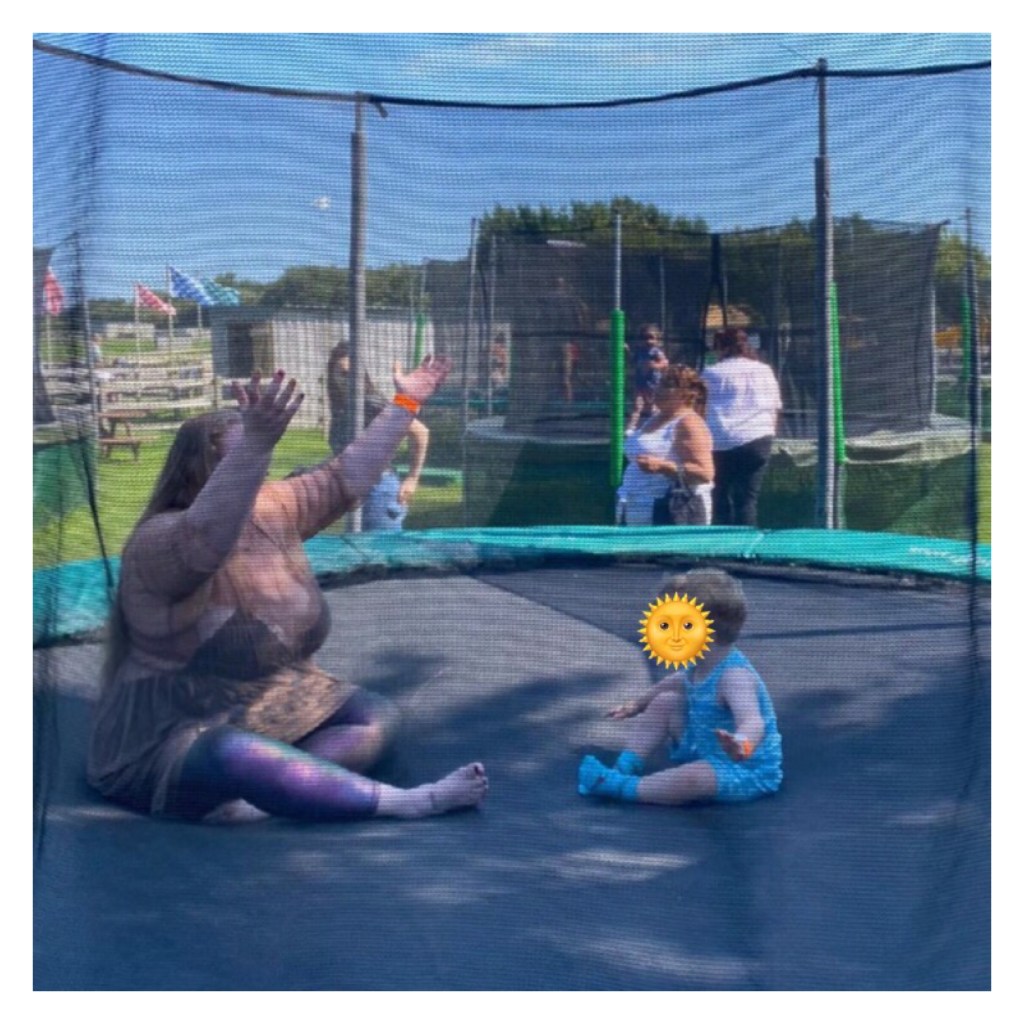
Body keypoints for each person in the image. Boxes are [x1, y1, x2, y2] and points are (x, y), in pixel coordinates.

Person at [87, 358, 488, 823]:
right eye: (246, 456)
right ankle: (406, 802)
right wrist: (253, 444)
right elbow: (205, 539)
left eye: (264, 455)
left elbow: (347, 477)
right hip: (171, 732)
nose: (261, 468)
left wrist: (406, 401)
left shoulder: (271, 505)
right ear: (204, 470)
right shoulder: (158, 541)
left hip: (268, 700)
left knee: (376, 717)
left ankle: (269, 796)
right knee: (229, 753)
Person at [578, 568, 782, 806]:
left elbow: (752, 720)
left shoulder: (734, 677)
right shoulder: (699, 665)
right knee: (665, 701)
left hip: (743, 769)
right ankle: (625, 765)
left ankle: (623, 787)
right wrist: (637, 705)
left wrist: (742, 743)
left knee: (694, 778)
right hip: (702, 745)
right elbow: (672, 683)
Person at [327, 341, 430, 530]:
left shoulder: (370, 402)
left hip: (379, 493)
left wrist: (412, 478)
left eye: (352, 373)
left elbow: (420, 432)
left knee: (379, 556)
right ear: (331, 375)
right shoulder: (341, 408)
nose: (346, 379)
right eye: (341, 373)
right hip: (355, 495)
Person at [701, 327, 783, 527]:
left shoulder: (711, 373)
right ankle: (745, 549)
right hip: (758, 440)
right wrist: (768, 435)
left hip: (721, 441)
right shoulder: (764, 369)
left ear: (721, 347)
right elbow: (775, 408)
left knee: (719, 495)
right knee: (747, 499)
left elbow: (700, 407)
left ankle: (722, 548)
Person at [616, 365, 715, 526]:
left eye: (666, 385)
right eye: (659, 383)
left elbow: (705, 473)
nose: (657, 389)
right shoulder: (655, 418)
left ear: (686, 394)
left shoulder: (689, 423)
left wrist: (663, 466)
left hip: (672, 514)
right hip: (637, 509)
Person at [631, 324, 670, 419]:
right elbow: (633, 361)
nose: (648, 341)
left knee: (651, 406)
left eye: (651, 338)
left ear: (657, 340)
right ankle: (630, 429)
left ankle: (656, 425)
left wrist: (655, 365)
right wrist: (627, 351)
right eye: (645, 338)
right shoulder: (639, 351)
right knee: (637, 406)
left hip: (653, 384)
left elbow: (665, 363)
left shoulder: (655, 351)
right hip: (640, 383)